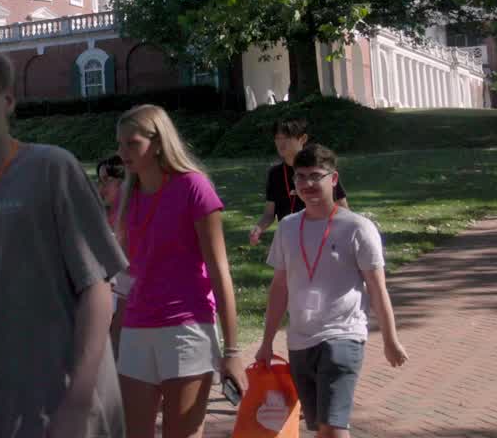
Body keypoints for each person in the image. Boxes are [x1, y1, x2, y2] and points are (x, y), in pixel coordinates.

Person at [0, 43, 127, 438]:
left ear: (8, 100)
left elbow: (98, 288)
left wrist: (78, 401)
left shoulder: (52, 168)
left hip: (59, 396)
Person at [256, 144, 408, 438]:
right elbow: (279, 289)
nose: (308, 184)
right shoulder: (287, 227)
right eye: (300, 177)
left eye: (316, 176)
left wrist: (391, 339)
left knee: (335, 427)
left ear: (333, 179)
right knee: (320, 428)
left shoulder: (357, 228)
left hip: (343, 337)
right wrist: (266, 342)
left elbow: (377, 289)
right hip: (300, 341)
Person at [114, 104, 247, 438]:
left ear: (157, 143)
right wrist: (112, 336)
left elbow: (220, 272)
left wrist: (232, 351)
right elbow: (126, 275)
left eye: (132, 143)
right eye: (119, 144)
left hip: (186, 330)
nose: (122, 152)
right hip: (136, 329)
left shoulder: (193, 187)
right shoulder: (127, 198)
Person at [249, 118, 349, 246]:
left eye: (286, 138)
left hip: (322, 237)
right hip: (291, 238)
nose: (281, 144)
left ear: (303, 139)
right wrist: (258, 228)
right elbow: (269, 213)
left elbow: (343, 208)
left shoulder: (320, 170)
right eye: (277, 138)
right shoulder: (275, 174)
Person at [96, 154, 125, 230]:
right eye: (100, 180)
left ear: (123, 182)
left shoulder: (130, 218)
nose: (101, 186)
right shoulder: (99, 216)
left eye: (107, 180)